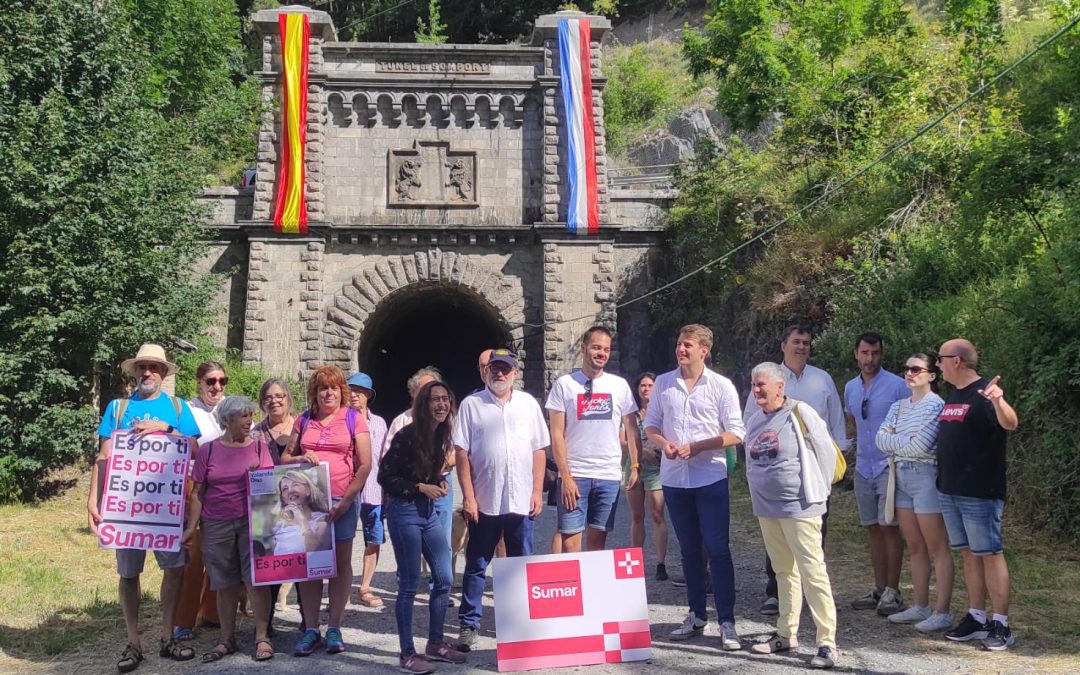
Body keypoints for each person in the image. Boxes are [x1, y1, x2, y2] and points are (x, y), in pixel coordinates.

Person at [86, 343, 201, 672]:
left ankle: (167, 637)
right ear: (135, 372)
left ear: (164, 373)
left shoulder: (178, 409)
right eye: (142, 367)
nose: (147, 372)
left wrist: (165, 429)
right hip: (126, 509)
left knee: (174, 570)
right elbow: (104, 456)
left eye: (154, 367)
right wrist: (92, 499)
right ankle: (133, 642)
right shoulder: (118, 409)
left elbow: (194, 450)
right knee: (128, 573)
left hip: (167, 507)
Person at [644, 324, 744, 650]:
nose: (681, 349)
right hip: (674, 479)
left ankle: (727, 621)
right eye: (678, 343)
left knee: (717, 548)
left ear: (704, 350)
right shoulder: (663, 382)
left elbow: (736, 433)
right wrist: (663, 444)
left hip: (709, 477)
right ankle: (697, 615)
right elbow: (652, 426)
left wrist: (700, 446)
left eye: (687, 345)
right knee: (688, 550)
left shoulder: (722, 386)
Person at [747, 324, 848, 615]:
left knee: (813, 540)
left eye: (806, 342)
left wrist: (826, 477)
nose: (801, 347)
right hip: (774, 475)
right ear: (783, 345)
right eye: (796, 341)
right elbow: (750, 424)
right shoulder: (765, 377)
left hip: (813, 476)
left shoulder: (822, 379)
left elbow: (834, 425)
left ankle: (810, 594)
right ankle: (776, 594)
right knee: (777, 542)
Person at [744, 363, 839, 670]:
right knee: (784, 571)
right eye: (754, 385)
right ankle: (786, 634)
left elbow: (826, 452)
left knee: (813, 572)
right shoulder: (755, 418)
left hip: (800, 506)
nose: (756, 390)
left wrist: (819, 493)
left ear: (780, 386)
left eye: (762, 385)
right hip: (767, 507)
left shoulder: (801, 412)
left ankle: (827, 642)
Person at [454, 349, 549, 650]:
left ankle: (520, 623)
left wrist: (537, 491)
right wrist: (468, 497)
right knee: (477, 564)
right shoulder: (472, 405)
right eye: (494, 368)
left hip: (521, 500)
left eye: (505, 369)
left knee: (522, 564)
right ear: (486, 372)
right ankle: (469, 624)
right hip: (485, 501)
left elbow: (538, 450)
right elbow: (461, 453)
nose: (499, 374)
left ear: (515, 373)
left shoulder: (528, 404)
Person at [282, 365, 373, 656]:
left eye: (334, 388)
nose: (329, 393)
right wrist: (299, 456)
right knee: (310, 566)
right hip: (310, 504)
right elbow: (285, 457)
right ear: (315, 392)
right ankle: (311, 629)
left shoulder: (353, 419)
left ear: (342, 392)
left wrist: (346, 501)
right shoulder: (304, 420)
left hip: (341, 500)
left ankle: (334, 626)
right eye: (323, 388)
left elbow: (365, 464)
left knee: (340, 564)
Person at [379, 381, 469, 674]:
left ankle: (435, 643)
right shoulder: (407, 435)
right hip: (404, 512)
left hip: (428, 512)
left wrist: (440, 482)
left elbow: (433, 475)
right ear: (423, 405)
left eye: (446, 399)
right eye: (435, 400)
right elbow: (385, 477)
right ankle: (407, 654)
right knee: (408, 584)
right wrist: (420, 487)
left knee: (443, 577)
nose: (442, 405)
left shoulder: (441, 434)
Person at [935, 339, 1018, 650]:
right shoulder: (954, 395)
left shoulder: (985, 393)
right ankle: (976, 617)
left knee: (990, 554)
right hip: (951, 489)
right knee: (968, 553)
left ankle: (1001, 624)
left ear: (956, 361)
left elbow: (1011, 423)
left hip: (980, 492)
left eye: (941, 359)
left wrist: (998, 401)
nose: (938, 365)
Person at [182, 396, 276, 663]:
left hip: (252, 523)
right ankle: (227, 638)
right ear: (227, 420)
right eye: (243, 416)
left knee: (255, 579)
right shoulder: (208, 451)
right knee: (224, 583)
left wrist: (260, 475)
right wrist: (191, 527)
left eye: (250, 415)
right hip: (216, 524)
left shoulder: (259, 448)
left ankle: (262, 637)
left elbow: (270, 488)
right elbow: (198, 493)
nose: (249, 421)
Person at [875, 354, 954, 633]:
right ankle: (920, 605)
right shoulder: (898, 406)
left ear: (932, 375)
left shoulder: (937, 405)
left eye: (916, 369)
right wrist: (901, 442)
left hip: (925, 477)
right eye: (906, 368)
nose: (909, 373)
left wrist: (898, 442)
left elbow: (922, 445)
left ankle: (943, 610)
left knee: (937, 546)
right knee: (915, 545)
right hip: (901, 477)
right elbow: (879, 439)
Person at [547, 326, 640, 553]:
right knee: (571, 541)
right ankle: (573, 587)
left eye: (606, 349)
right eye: (596, 347)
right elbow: (556, 433)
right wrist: (565, 475)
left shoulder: (619, 386)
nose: (602, 353)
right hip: (576, 474)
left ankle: (591, 587)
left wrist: (635, 466)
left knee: (598, 541)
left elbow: (632, 428)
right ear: (583, 349)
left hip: (608, 475)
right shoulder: (564, 385)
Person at [843, 332, 910, 615]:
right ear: (856, 354)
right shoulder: (850, 387)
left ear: (882, 354)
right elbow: (853, 420)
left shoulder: (897, 386)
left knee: (889, 527)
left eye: (875, 353)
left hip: (888, 466)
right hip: (863, 465)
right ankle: (879, 588)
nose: (870, 359)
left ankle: (893, 592)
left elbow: (910, 421)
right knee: (872, 527)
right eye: (865, 353)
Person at [173, 361, 227, 641]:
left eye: (221, 380)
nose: (216, 386)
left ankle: (212, 612)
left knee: (221, 554)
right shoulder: (186, 409)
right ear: (199, 382)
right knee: (193, 556)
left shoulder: (231, 407)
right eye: (210, 381)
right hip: (195, 486)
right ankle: (183, 620)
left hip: (226, 488)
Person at [251, 378, 296, 614]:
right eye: (268, 397)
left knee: (301, 563)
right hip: (267, 508)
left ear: (288, 399)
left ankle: (307, 626)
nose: (274, 401)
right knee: (270, 564)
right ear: (262, 403)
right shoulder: (255, 433)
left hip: (298, 505)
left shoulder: (302, 427)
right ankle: (265, 625)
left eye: (279, 396)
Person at [347, 372, 390, 608]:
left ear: (368, 396)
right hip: (347, 490)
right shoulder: (340, 421)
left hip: (374, 489)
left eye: (360, 392)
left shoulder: (380, 423)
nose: (354, 395)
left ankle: (364, 587)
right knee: (343, 540)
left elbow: (385, 458)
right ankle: (341, 589)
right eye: (351, 391)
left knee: (373, 539)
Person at [622, 372, 669, 580]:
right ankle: (636, 561)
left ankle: (660, 563)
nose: (646, 388)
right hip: (634, 466)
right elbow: (622, 441)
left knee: (658, 514)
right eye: (642, 385)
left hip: (656, 468)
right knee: (637, 516)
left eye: (650, 385)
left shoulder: (663, 412)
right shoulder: (630, 413)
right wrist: (641, 452)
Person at [272, 469, 332, 554]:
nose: (290, 491)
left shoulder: (323, 521)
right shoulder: (281, 528)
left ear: (308, 490)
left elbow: (313, 553)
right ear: (283, 498)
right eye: (285, 489)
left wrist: (302, 520)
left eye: (295, 485)